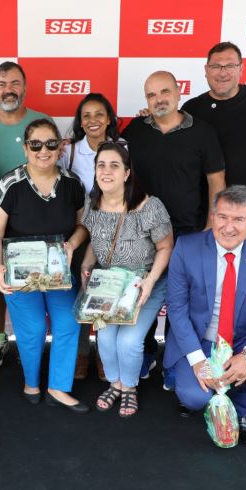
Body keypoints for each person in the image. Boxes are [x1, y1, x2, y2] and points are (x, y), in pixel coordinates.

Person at [122, 71, 226, 386]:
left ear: (179, 92)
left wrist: (211, 231)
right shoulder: (137, 130)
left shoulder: (203, 132)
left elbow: (216, 182)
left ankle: (174, 364)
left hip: (190, 233)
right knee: (144, 297)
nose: (159, 100)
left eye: (165, 92)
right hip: (143, 235)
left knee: (183, 303)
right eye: (151, 95)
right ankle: (147, 353)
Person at [165, 186, 246, 445]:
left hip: (241, 340)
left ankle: (238, 412)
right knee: (193, 398)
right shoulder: (186, 247)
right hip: (200, 340)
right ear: (212, 217)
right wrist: (198, 361)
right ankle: (205, 393)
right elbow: (176, 308)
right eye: (223, 217)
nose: (228, 227)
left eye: (239, 219)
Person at [0, 118, 88, 413]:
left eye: (50, 144)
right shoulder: (10, 184)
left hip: (58, 272)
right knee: (31, 328)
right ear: (25, 148)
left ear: (60, 147)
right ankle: (31, 382)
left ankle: (58, 386)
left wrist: (71, 244)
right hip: (20, 275)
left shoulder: (72, 183)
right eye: (36, 144)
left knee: (68, 323)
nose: (43, 150)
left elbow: (83, 226)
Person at [80, 142, 173, 417]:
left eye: (114, 165)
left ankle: (130, 388)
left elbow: (166, 247)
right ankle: (116, 383)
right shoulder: (91, 203)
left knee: (129, 342)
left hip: (144, 281)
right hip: (108, 285)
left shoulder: (149, 206)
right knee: (106, 339)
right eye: (101, 165)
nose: (106, 171)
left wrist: (149, 281)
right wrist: (86, 264)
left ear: (127, 173)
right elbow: (94, 241)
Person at [0, 61, 51, 368]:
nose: (8, 90)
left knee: (38, 281)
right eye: (1, 84)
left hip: (36, 220)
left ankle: (34, 341)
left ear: (24, 88)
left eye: (14, 83)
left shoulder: (42, 121)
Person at [182, 41, 246, 238]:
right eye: (216, 66)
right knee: (207, 268)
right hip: (207, 210)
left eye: (230, 66)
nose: (222, 72)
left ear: (241, 69)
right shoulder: (192, 108)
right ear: (206, 70)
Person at [59, 92, 123, 380]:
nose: (93, 120)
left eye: (99, 114)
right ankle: (81, 354)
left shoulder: (125, 148)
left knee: (108, 294)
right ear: (80, 122)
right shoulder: (69, 151)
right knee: (82, 294)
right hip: (82, 234)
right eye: (86, 116)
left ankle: (105, 356)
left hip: (117, 236)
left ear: (109, 118)